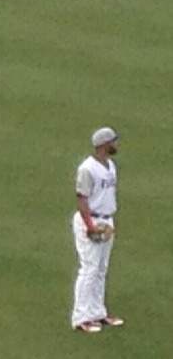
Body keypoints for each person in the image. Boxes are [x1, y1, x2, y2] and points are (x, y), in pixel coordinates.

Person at [72, 127, 124, 333]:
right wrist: (90, 226)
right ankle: (81, 317)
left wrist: (108, 223)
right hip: (91, 220)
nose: (116, 144)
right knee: (89, 269)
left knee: (101, 269)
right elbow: (81, 199)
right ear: (104, 144)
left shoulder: (111, 166)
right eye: (113, 141)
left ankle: (97, 313)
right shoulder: (87, 169)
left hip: (106, 220)